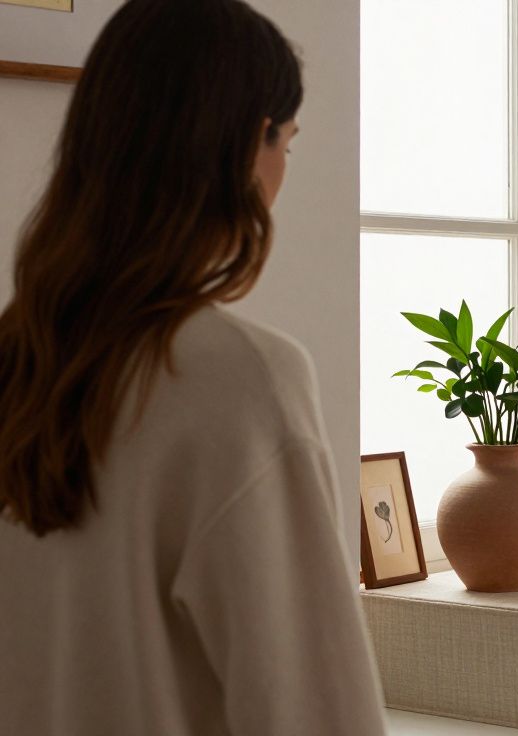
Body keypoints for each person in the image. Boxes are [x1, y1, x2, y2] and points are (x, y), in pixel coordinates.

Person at [0, 1, 386, 733]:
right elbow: (317, 712)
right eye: (287, 146)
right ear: (250, 147)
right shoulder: (241, 382)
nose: (282, 176)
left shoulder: (17, 361)